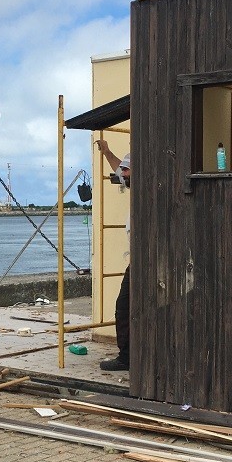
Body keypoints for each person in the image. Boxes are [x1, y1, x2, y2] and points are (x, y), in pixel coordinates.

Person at [96, 138, 131, 371]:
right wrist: (107, 152)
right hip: (140, 258)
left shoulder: (149, 185)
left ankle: (127, 357)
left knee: (125, 307)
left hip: (145, 259)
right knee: (126, 307)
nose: (123, 174)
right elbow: (119, 167)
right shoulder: (135, 183)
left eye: (127, 170)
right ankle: (128, 355)